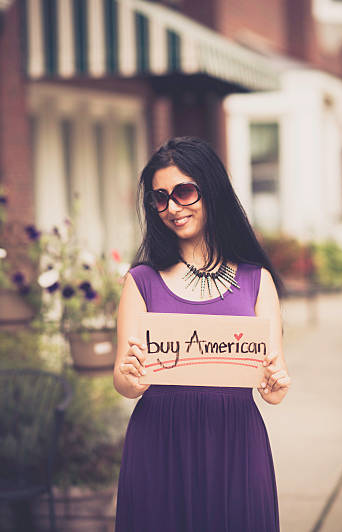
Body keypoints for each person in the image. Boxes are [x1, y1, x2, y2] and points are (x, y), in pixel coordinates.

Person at [113, 136, 291, 531]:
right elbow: (124, 383)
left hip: (236, 441)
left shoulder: (256, 281)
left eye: (184, 192)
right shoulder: (140, 282)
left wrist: (276, 385)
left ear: (211, 190)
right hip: (159, 441)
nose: (172, 208)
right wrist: (129, 377)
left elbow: (272, 380)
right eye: (160, 198)